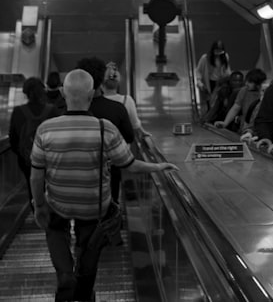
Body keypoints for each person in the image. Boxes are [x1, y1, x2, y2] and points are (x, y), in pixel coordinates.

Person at [30, 69, 177, 301]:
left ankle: (65, 275)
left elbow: (36, 176)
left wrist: (39, 206)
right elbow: (129, 164)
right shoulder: (105, 128)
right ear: (92, 94)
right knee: (89, 245)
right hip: (93, 205)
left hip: (58, 202)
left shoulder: (45, 129)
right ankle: (84, 290)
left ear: (62, 93)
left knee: (55, 230)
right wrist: (158, 167)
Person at [78, 57, 136, 203]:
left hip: (80, 170)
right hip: (111, 165)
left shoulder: (73, 109)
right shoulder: (117, 108)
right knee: (112, 199)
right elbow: (129, 137)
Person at [9, 77, 59, 207]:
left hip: (27, 160)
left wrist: (23, 154)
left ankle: (37, 212)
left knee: (33, 187)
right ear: (43, 91)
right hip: (50, 159)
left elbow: (13, 139)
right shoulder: (52, 110)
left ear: (25, 92)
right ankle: (53, 218)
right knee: (52, 188)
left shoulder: (18, 111)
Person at [101, 61, 145, 137]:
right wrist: (143, 132)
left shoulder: (95, 101)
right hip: (122, 146)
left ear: (101, 84)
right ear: (118, 83)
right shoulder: (127, 100)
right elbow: (135, 125)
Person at [216, 68, 265, 133]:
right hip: (245, 129)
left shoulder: (265, 94)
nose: (246, 83)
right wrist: (225, 123)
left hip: (259, 129)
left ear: (258, 84)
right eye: (246, 81)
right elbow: (235, 108)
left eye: (250, 82)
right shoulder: (243, 91)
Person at [196, 39, 230, 107]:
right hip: (210, 83)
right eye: (217, 50)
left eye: (220, 50)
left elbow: (227, 70)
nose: (218, 52)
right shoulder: (205, 58)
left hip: (221, 82)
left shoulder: (225, 56)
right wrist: (200, 83)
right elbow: (198, 71)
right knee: (211, 103)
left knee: (221, 103)